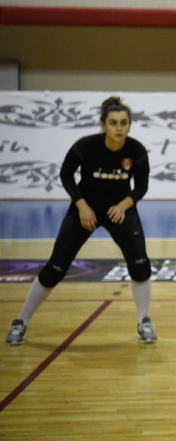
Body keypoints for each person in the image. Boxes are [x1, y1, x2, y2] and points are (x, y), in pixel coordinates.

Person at [5, 96, 158, 346]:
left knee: (140, 264)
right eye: (113, 123)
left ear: (130, 125)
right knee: (56, 268)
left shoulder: (136, 151)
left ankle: (144, 321)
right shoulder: (86, 146)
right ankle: (21, 321)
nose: (119, 128)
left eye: (123, 123)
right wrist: (82, 206)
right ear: (103, 125)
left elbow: (141, 187)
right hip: (85, 209)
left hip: (119, 211)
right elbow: (66, 175)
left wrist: (123, 205)